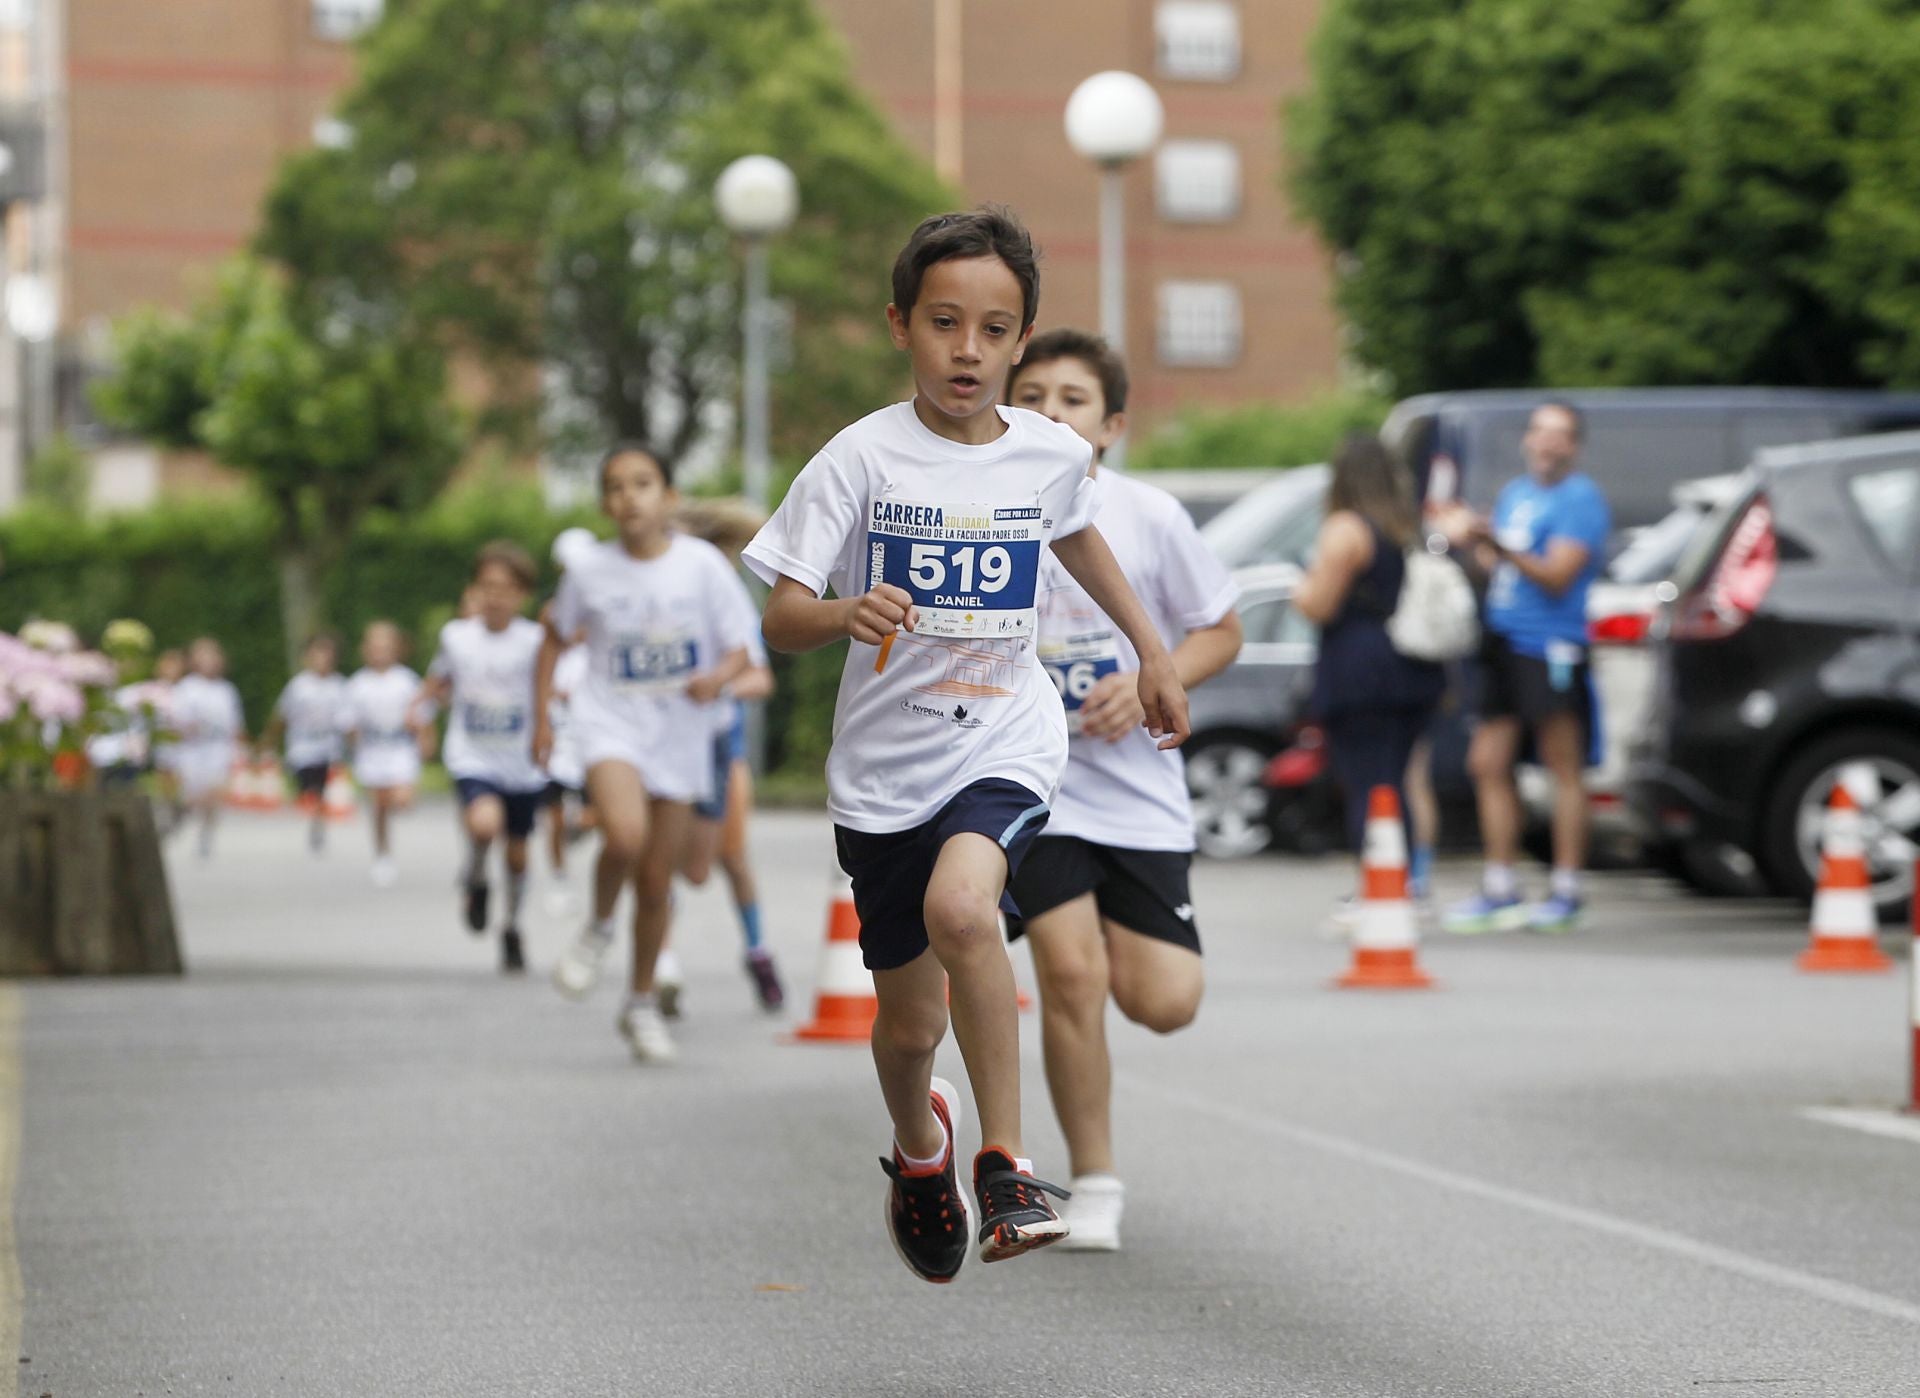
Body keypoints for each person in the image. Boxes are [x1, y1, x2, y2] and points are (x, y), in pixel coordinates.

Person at [744, 208, 1191, 1280]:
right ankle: (918, 1150)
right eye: (946, 323)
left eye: (996, 331)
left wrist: (1151, 650)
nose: (969, 350)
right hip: (884, 774)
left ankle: (1006, 1164)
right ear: (902, 325)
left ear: (1020, 341)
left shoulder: (1047, 453)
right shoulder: (858, 460)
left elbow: (1077, 534)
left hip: (1006, 735)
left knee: (963, 910)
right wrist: (844, 609)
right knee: (907, 1027)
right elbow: (781, 616)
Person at [1001, 329, 1242, 1253]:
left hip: (1138, 795)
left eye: (1072, 399)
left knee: (1166, 1001)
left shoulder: (1150, 517)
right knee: (1069, 973)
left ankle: (1114, 938)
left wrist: (1156, 673)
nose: (1051, 412)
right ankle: (1094, 1182)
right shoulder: (985, 511)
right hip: (1034, 784)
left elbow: (1221, 630)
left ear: (1110, 426)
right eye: (1034, 395)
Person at [536, 445, 755, 1065]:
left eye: (642, 483)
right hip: (610, 724)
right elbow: (551, 640)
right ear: (605, 503)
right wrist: (540, 726)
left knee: (658, 882)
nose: (628, 496)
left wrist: (717, 677)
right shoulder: (587, 572)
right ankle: (599, 927)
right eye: (615, 486)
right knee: (625, 837)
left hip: (681, 736)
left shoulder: (703, 568)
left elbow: (743, 647)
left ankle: (638, 1005)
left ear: (669, 497)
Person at [1440, 401, 1611, 934]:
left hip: (1551, 645)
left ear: (1574, 445)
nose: (1546, 442)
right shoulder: (1516, 495)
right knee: (1488, 763)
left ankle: (1566, 887)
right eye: (1539, 431)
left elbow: (1557, 575)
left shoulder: (1580, 500)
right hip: (1502, 641)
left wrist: (1497, 544)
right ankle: (1500, 884)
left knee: (1563, 765)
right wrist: (1469, 541)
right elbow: (1495, 567)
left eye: (1558, 434)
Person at [1295, 435, 1447, 892]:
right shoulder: (1404, 526)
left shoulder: (1346, 528)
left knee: (1368, 786)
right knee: (1395, 781)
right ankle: (1402, 880)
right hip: (1411, 667)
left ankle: (1381, 889)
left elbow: (1319, 604)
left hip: (1361, 672)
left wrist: (1300, 587)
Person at [673, 497, 784, 1014]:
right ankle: (661, 965)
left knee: (730, 858)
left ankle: (758, 952)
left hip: (724, 748)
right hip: (666, 752)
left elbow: (760, 676)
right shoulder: (660, 598)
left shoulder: (727, 600)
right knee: (666, 861)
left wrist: (717, 687)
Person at [417, 542, 548, 973]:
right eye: (488, 586)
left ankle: (511, 926)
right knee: (483, 823)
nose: (496, 596)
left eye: (506, 588)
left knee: (517, 854)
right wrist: (420, 714)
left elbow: (553, 687)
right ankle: (475, 877)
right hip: (473, 752)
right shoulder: (456, 637)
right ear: (475, 589)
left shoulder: (535, 641)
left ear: (522, 594)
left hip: (522, 761)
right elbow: (438, 680)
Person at [541, 528, 599, 919]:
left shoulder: (604, 612)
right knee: (556, 814)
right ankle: (560, 876)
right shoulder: (552, 616)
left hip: (597, 733)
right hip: (559, 733)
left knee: (599, 815)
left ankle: (581, 829)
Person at [343, 620, 428, 888]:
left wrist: (424, 738)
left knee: (401, 799)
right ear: (365, 650)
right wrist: (353, 745)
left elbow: (422, 716)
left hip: (400, 747)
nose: (380, 651)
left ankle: (400, 799)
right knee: (378, 806)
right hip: (372, 750)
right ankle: (383, 854)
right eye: (375, 646)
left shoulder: (407, 680)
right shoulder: (358, 684)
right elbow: (349, 722)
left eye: (385, 646)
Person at [260, 633, 348, 854]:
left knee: (322, 787)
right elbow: (282, 716)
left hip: (329, 747)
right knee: (306, 786)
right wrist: (268, 742)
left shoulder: (339, 686)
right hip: (303, 746)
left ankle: (318, 821)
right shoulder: (298, 686)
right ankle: (311, 809)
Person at [170, 637, 246, 858]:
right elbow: (178, 720)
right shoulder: (187, 687)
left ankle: (206, 832)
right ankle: (180, 817)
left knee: (214, 794)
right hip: (193, 750)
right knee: (192, 795)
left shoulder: (226, 690)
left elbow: (235, 724)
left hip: (218, 749)